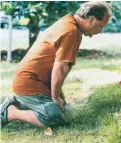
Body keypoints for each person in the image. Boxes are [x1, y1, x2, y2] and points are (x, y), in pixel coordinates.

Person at [1, 1, 112, 129]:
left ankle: (19, 101)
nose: (100, 31)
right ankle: (11, 112)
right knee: (56, 117)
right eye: (101, 26)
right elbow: (61, 67)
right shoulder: (72, 32)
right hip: (30, 82)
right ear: (91, 19)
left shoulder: (68, 22)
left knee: (67, 111)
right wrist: (55, 97)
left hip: (33, 81)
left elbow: (55, 67)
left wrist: (58, 94)